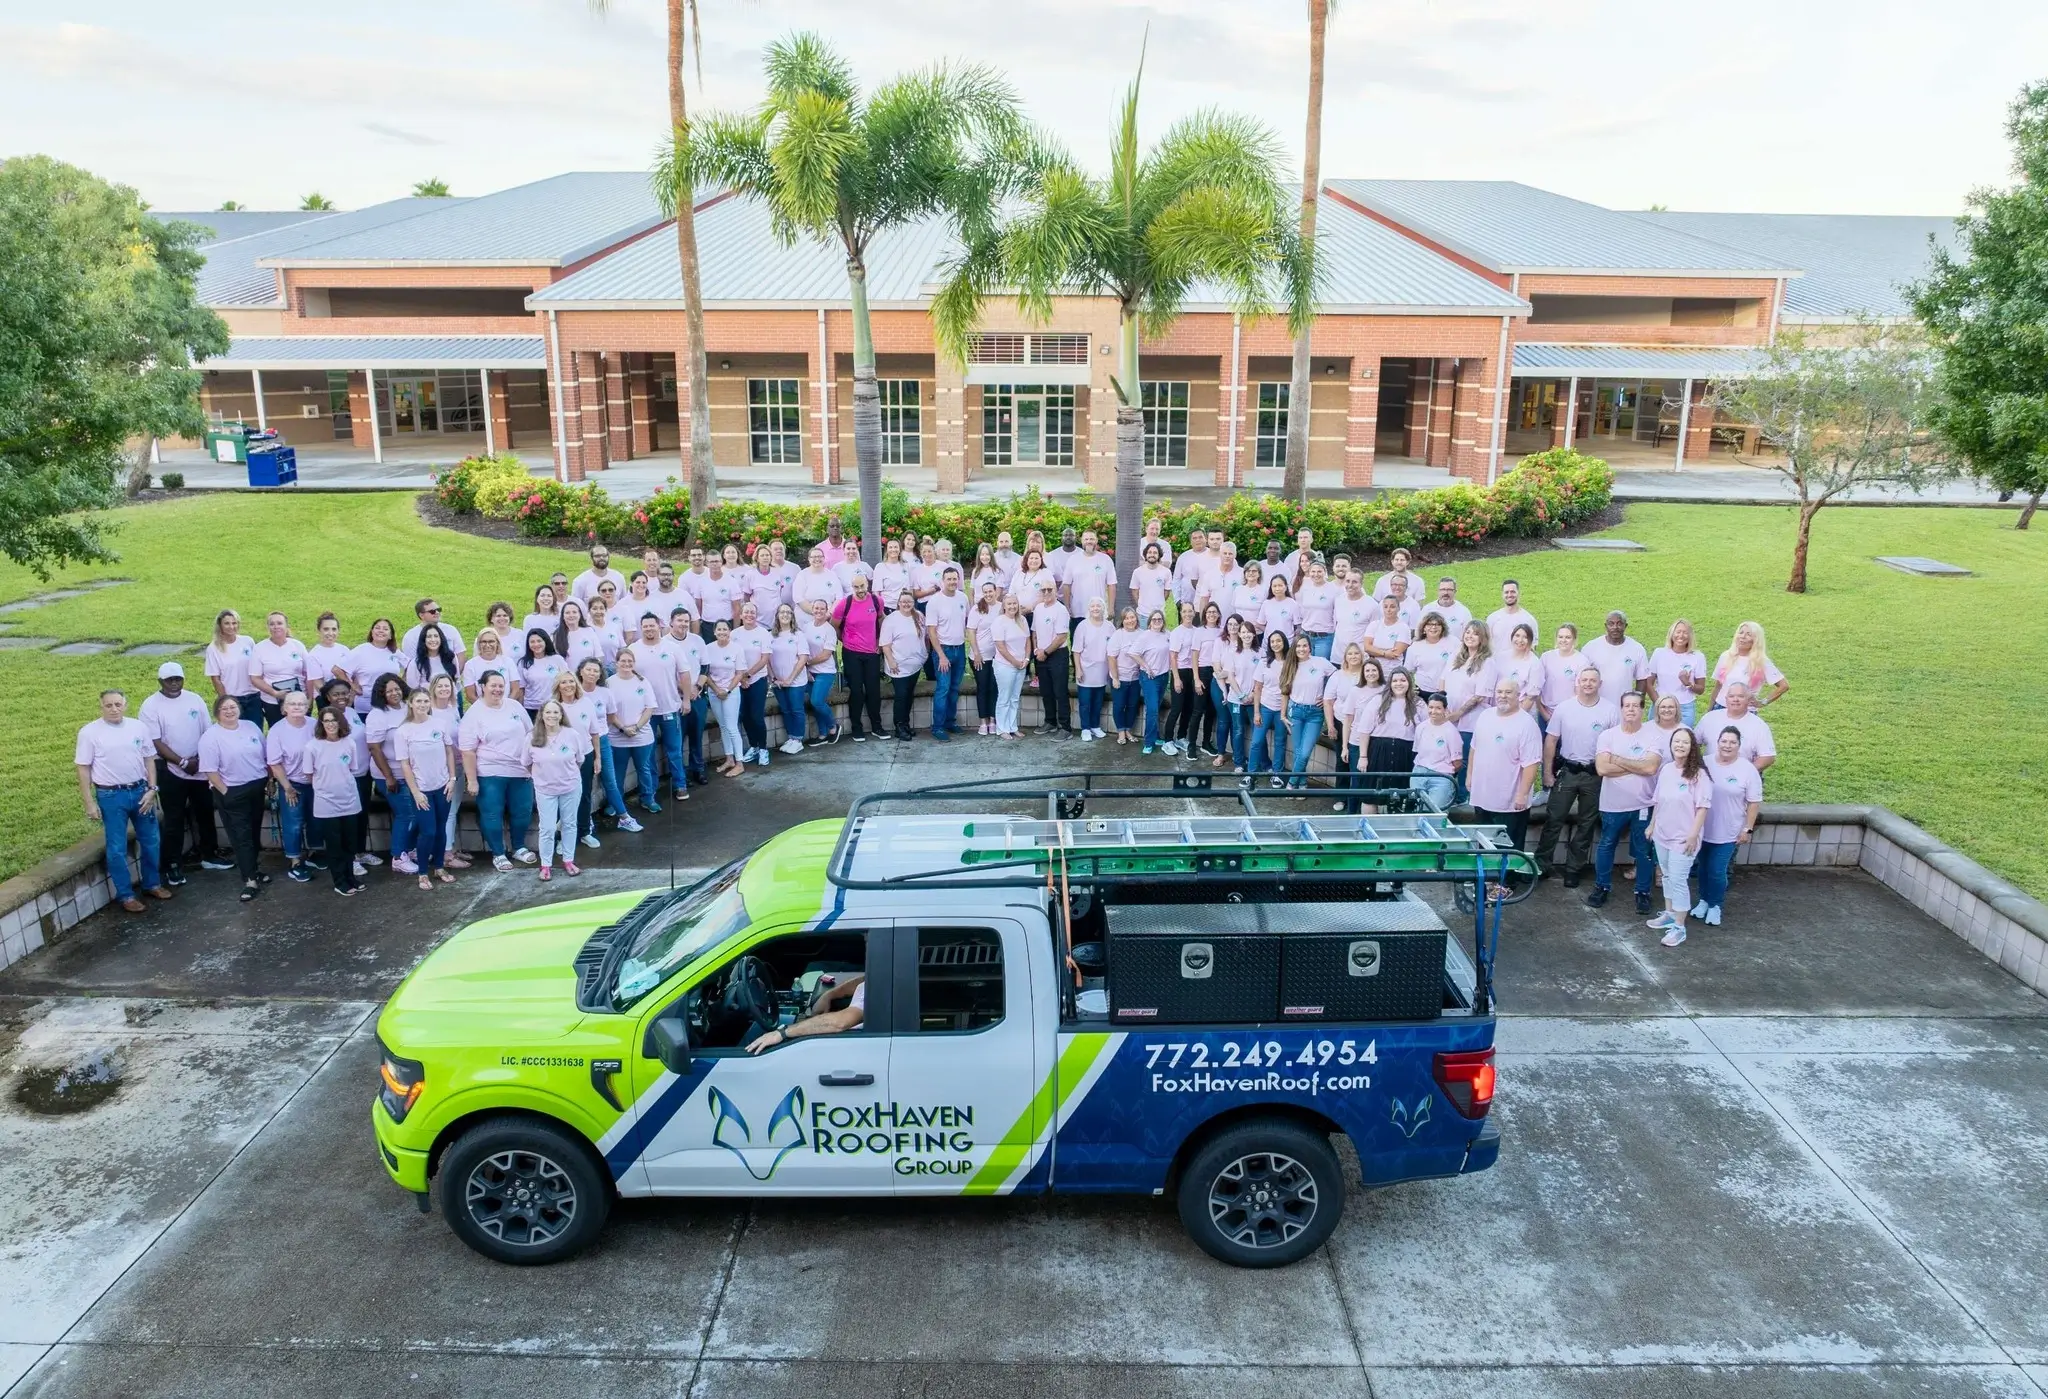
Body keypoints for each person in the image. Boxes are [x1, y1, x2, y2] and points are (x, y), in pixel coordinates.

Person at [75, 689, 171, 914]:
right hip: (111, 795)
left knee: (151, 840)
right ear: (101, 707)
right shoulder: (90, 733)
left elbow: (149, 759)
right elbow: (83, 768)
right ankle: (126, 895)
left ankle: (152, 884)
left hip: (140, 791)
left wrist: (151, 789)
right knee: (116, 847)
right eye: (108, 705)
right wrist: (89, 802)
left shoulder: (138, 727)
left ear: (125, 705)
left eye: (118, 704)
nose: (114, 709)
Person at [139, 662, 223, 886]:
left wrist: (200, 759)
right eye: (169, 680)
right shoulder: (150, 706)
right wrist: (182, 762)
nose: (174, 683)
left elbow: (207, 731)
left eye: (178, 679)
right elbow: (155, 742)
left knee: (205, 811)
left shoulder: (194, 699)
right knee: (174, 818)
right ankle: (173, 865)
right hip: (169, 769)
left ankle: (210, 855)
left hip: (198, 766)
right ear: (160, 682)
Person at [1540, 665, 1619, 887]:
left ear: (1599, 684)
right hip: (1568, 771)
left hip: (1594, 774)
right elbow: (1551, 741)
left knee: (1586, 823)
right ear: (1577, 682)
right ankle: (1541, 864)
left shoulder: (1610, 710)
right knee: (1554, 818)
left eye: (1592, 680)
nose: (1588, 684)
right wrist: (1547, 773)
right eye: (1584, 680)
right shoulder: (1564, 708)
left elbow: (1616, 745)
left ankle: (1574, 868)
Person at [1588, 692, 1661, 913]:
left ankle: (1643, 892)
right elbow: (1602, 769)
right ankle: (1601, 886)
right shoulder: (1607, 736)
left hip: (1642, 804)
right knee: (1606, 845)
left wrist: (1617, 760)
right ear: (1621, 709)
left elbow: (1650, 768)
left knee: (1643, 850)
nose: (1631, 709)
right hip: (1612, 804)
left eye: (1635, 706)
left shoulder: (1653, 735)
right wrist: (1635, 764)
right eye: (1626, 705)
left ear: (1642, 709)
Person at [460, 671, 537, 872]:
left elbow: (531, 734)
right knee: (492, 813)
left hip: (520, 770)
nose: (497, 689)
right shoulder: (474, 714)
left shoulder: (514, 706)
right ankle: (498, 853)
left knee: (522, 811)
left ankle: (518, 847)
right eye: (493, 685)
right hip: (490, 772)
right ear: (482, 687)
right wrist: (472, 780)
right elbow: (467, 750)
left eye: (501, 686)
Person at [198, 695, 269, 902]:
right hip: (232, 791)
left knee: (254, 833)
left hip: (256, 786)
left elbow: (264, 755)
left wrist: (269, 781)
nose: (229, 711)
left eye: (233, 707)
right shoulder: (211, 737)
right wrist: (225, 791)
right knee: (242, 836)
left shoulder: (251, 727)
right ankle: (249, 880)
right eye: (224, 708)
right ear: (217, 712)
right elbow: (210, 771)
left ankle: (254, 870)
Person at [1692, 726, 1764, 927]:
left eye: (1733, 742)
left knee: (1717, 870)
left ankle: (1715, 905)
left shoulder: (1747, 769)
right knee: (1703, 869)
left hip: (1729, 831)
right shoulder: (1704, 763)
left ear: (1739, 746)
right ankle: (1704, 900)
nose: (1727, 745)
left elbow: (1754, 802)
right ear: (1718, 742)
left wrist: (1747, 828)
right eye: (1724, 741)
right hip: (1703, 828)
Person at [1647, 728, 1713, 947]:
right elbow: (1659, 801)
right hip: (1662, 835)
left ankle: (1679, 927)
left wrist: (1693, 835)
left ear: (1692, 746)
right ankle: (1669, 913)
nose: (1680, 745)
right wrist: (1652, 825)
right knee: (1666, 876)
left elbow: (1702, 807)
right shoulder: (1666, 769)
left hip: (1683, 839)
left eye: (1685, 742)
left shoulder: (1699, 775)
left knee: (1678, 880)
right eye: (1676, 741)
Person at [393, 686, 459, 889]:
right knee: (428, 832)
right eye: (418, 701)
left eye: (425, 701)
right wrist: (415, 792)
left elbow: (449, 752)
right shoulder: (403, 731)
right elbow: (405, 764)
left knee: (440, 830)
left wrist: (452, 779)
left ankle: (439, 867)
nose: (422, 705)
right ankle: (423, 872)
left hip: (443, 786)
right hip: (421, 790)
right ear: (411, 704)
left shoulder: (438, 724)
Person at [1468, 679, 1543, 855]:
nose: (1503, 696)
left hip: (1509, 802)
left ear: (1519, 695)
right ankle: (1486, 880)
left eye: (1508, 692)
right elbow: (1474, 748)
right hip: (1482, 796)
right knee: (1484, 844)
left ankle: (1507, 881)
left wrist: (1522, 795)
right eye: (1500, 691)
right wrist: (1470, 776)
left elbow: (1531, 763)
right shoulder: (1485, 716)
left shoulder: (1527, 724)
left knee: (1508, 848)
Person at [299, 706, 365, 896]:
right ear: (321, 724)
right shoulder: (312, 747)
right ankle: (339, 881)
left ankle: (351, 877)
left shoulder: (349, 743)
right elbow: (309, 774)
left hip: (349, 799)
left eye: (333, 720)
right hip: (327, 803)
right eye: (326, 721)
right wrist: (324, 789)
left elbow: (352, 768)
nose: (330, 724)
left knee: (349, 843)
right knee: (335, 844)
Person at [526, 700, 591, 883]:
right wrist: (542, 776)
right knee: (546, 828)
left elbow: (579, 759)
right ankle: (545, 864)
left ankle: (568, 860)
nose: (552, 716)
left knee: (569, 824)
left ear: (561, 715)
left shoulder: (572, 735)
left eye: (556, 712)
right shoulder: (531, 737)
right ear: (542, 714)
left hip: (570, 786)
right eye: (548, 712)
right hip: (545, 789)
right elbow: (525, 762)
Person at [265, 690, 322, 883]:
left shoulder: (315, 725)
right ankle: (295, 862)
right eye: (292, 704)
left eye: (301, 703)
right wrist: (287, 787)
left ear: (308, 707)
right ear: (284, 708)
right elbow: (274, 763)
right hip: (292, 784)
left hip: (315, 782)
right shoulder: (277, 731)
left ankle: (316, 853)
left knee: (316, 820)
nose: (297, 707)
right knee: (294, 824)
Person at [604, 647, 657, 824]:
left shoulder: (643, 682)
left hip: (641, 735)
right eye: (623, 661)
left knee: (644, 768)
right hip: (618, 736)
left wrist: (636, 727)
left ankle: (648, 798)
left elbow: (649, 708)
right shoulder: (609, 683)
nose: (626, 664)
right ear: (616, 663)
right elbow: (609, 712)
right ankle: (615, 804)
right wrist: (622, 728)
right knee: (617, 773)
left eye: (630, 661)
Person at [1445, 621, 1496, 805]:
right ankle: (1449, 795)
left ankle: (1463, 797)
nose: (1470, 636)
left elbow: (1480, 695)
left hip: (1471, 721)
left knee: (1466, 759)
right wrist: (1444, 707)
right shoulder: (1456, 657)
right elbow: (1443, 681)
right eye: (1467, 632)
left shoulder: (1487, 663)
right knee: (1450, 759)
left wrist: (1458, 713)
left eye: (1475, 634)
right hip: (1449, 719)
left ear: (1482, 638)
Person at [831, 573, 886, 742]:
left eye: (862, 586)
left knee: (873, 691)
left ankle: (877, 726)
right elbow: (834, 625)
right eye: (856, 587)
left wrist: (880, 641)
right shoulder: (844, 604)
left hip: (872, 653)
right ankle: (857, 728)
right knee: (856, 691)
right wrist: (845, 640)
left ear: (867, 585)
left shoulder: (876, 601)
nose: (860, 590)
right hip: (851, 653)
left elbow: (881, 619)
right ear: (851, 587)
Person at [1280, 633, 1337, 789]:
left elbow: (1337, 677)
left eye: (1305, 645)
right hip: (1296, 712)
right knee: (1299, 752)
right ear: (1294, 648)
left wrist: (1327, 695)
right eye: (1298, 646)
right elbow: (1284, 692)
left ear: (1310, 647)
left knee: (1304, 753)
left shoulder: (1320, 663)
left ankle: (1291, 783)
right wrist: (1283, 715)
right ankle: (1302, 783)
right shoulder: (1290, 665)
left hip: (1315, 714)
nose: (1301, 649)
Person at [1361, 666, 1420, 800]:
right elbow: (1364, 731)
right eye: (1395, 681)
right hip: (1379, 750)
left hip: (1406, 753)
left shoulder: (1418, 703)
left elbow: (1425, 731)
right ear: (1390, 683)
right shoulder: (1378, 701)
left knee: (1401, 796)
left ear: (1409, 683)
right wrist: (1363, 757)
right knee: (1371, 796)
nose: (1399, 683)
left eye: (1403, 680)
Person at [925, 566, 969, 741]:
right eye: (949, 579)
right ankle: (938, 727)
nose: (952, 582)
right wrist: (941, 655)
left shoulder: (963, 598)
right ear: (943, 581)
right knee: (943, 689)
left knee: (954, 688)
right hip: (943, 651)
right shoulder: (934, 601)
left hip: (959, 649)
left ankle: (950, 722)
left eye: (954, 578)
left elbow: (965, 621)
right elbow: (931, 631)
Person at [879, 591, 929, 742]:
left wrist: (925, 654)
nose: (906, 604)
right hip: (898, 666)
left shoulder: (919, 616)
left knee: (909, 695)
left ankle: (906, 724)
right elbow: (885, 645)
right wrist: (891, 661)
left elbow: (925, 638)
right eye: (903, 602)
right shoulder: (891, 620)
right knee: (901, 696)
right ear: (898, 603)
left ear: (914, 603)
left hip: (915, 665)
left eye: (909, 601)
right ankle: (899, 727)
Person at [1695, 683, 1776, 774]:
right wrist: (1699, 767)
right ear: (1726, 699)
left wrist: (1745, 773)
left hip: (1741, 776)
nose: (1735, 700)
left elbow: (1768, 757)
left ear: (1749, 700)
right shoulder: (1709, 718)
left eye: (1741, 696)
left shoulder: (1759, 725)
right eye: (1731, 696)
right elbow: (1694, 744)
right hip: (1709, 774)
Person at [1707, 620, 1788, 710]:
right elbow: (1718, 686)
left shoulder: (1761, 661)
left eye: (1748, 634)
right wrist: (1710, 710)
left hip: (1746, 712)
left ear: (1756, 640)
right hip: (1720, 708)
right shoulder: (1726, 656)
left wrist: (1763, 702)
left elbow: (1783, 686)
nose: (1743, 637)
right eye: (1741, 633)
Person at [732, 601, 774, 767]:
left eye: (752, 612)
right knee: (745, 716)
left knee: (756, 716)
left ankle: (763, 748)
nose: (749, 615)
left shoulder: (763, 633)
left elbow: (764, 659)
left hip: (757, 680)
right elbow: (731, 656)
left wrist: (748, 675)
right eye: (746, 612)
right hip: (739, 682)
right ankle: (754, 746)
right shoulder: (734, 634)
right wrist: (741, 679)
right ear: (741, 615)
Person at [1210, 617, 1255, 772]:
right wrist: (1225, 685)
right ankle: (1221, 753)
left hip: (1239, 689)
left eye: (1237, 624)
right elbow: (1217, 669)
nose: (1233, 627)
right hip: (1220, 686)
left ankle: (1239, 757)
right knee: (1224, 720)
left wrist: (1229, 674)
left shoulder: (1245, 645)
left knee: (1239, 725)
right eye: (1230, 624)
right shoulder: (1220, 642)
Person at [767, 604, 813, 755]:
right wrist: (774, 678)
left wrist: (790, 679)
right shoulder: (771, 636)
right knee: (786, 710)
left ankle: (798, 739)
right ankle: (791, 738)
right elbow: (766, 658)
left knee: (796, 710)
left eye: (788, 612)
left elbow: (803, 658)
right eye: (782, 612)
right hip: (778, 682)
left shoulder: (798, 635)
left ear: (792, 616)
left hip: (795, 681)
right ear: (777, 615)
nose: (785, 615)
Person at [249, 612, 309, 728]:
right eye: (272, 624)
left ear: (287, 626)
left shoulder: (298, 646)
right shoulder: (260, 648)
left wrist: (308, 697)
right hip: (272, 701)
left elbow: (309, 673)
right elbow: (255, 678)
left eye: (280, 623)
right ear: (268, 627)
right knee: (278, 731)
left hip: (299, 700)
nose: (276, 626)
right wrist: (275, 693)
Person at [1246, 629, 1291, 782]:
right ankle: (1251, 774)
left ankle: (1277, 775)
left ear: (1284, 642)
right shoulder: (1264, 662)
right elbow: (1257, 688)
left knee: (1280, 742)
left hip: (1282, 710)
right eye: (1272, 641)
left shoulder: (1291, 663)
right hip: (1265, 707)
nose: (1275, 644)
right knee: (1257, 741)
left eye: (1278, 640)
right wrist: (1257, 712)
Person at [1647, 618, 1708, 727]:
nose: (1681, 635)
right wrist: (1658, 703)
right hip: (1661, 704)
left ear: (1690, 636)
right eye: (1678, 632)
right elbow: (1648, 683)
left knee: (1682, 741)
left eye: (1685, 632)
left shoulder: (1697, 657)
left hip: (1684, 708)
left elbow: (1701, 689)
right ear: (1671, 634)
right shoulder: (1659, 653)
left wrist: (1688, 683)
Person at [1581, 611, 1650, 707]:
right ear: (1606, 626)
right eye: (1611, 623)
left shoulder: (1637, 649)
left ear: (1625, 626)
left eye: (1619, 623)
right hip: (1595, 705)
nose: (1615, 627)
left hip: (1624, 707)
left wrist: (1637, 703)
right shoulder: (1590, 648)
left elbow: (1642, 679)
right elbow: (1581, 679)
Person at [1031, 581, 1073, 737]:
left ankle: (1065, 728)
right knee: (1046, 691)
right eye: (1044, 589)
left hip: (1057, 655)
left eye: (1050, 589)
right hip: (1041, 655)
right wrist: (1036, 650)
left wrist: (1046, 652)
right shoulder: (1038, 608)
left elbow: (1062, 636)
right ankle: (1050, 722)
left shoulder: (1061, 610)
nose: (1047, 592)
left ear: (1056, 591)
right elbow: (1034, 632)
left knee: (1060, 692)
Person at [203, 609, 261, 723]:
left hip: (254, 697)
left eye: (234, 623)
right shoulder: (214, 648)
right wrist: (225, 700)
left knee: (255, 732)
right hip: (233, 698)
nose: (231, 626)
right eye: (227, 623)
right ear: (220, 625)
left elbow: (258, 667)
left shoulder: (247, 641)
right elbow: (215, 678)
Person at [1409, 694, 1463, 811]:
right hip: (1419, 773)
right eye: (1431, 707)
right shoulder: (1421, 727)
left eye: (1438, 708)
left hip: (1441, 777)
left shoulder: (1451, 732)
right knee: (1417, 811)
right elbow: (1417, 751)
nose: (1434, 711)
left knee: (1435, 813)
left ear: (1445, 710)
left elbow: (1457, 762)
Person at [801, 600, 843, 747]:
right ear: (812, 610)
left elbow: (826, 655)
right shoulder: (805, 628)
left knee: (816, 701)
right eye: (816, 608)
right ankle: (823, 734)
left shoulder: (829, 630)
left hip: (825, 672)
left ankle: (833, 726)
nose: (819, 611)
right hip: (810, 673)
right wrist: (806, 669)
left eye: (822, 609)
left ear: (826, 611)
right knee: (816, 704)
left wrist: (807, 663)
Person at [990, 595, 1030, 739]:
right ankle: (1002, 729)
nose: (1012, 606)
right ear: (1004, 606)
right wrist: (1014, 662)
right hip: (1005, 666)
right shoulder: (999, 622)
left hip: (1021, 665)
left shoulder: (1023, 620)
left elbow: (1027, 641)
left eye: (1015, 603)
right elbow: (1000, 647)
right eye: (1009, 604)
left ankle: (1013, 727)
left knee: (1014, 698)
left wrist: (1026, 658)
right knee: (1004, 698)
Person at [349, 619, 401, 716]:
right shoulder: (361, 650)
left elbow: (411, 665)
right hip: (366, 708)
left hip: (390, 706)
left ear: (390, 635)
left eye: (385, 629)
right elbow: (337, 670)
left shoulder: (394, 652)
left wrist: (402, 685)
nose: (381, 631)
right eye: (377, 628)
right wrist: (353, 686)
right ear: (372, 633)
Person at [1538, 624, 1590, 720]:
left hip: (1570, 715)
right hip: (1545, 712)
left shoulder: (1582, 661)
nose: (1563, 640)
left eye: (1568, 637)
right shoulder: (1546, 658)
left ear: (1574, 639)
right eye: (1560, 637)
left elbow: (1580, 692)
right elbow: (1537, 687)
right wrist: (1545, 716)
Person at [1404, 612, 1457, 705]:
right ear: (1424, 628)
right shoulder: (1415, 647)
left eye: (1437, 624)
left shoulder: (1453, 642)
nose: (1433, 627)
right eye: (1429, 624)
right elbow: (1407, 671)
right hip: (1423, 692)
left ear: (1443, 627)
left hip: (1448, 691)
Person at [513, 629, 566, 718]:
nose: (536, 644)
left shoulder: (557, 659)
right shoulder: (523, 663)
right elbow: (521, 689)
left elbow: (565, 681)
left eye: (539, 641)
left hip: (553, 706)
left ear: (545, 641)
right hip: (531, 708)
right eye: (532, 642)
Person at [400, 598, 466, 667]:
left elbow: (461, 655)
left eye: (439, 610)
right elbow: (410, 664)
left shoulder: (451, 630)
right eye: (432, 611)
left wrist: (453, 676)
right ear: (421, 615)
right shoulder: (411, 636)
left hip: (450, 675)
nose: (437, 612)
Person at [304, 612, 354, 700]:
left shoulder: (344, 650)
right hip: (326, 699)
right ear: (319, 631)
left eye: (334, 629)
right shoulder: (314, 655)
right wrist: (334, 698)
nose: (330, 633)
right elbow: (318, 684)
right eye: (326, 629)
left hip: (346, 697)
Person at [1486, 579, 1538, 660]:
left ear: (1518, 593)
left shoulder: (1529, 620)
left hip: (1518, 667)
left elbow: (1532, 648)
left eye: (1513, 592)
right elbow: (1486, 644)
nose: (1509, 595)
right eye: (1506, 592)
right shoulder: (1492, 618)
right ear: (1502, 595)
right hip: (1497, 666)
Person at [409, 621, 461, 696]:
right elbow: (413, 689)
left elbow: (456, 680)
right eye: (429, 637)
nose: (433, 640)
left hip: (449, 702)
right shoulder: (416, 663)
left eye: (436, 636)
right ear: (423, 640)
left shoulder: (451, 657)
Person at [1130, 543, 1174, 626]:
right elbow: (1135, 592)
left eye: (1155, 553)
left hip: (1159, 615)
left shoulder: (1166, 572)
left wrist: (1158, 603)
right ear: (1145, 554)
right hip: (1142, 615)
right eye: (1149, 552)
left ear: (1159, 555)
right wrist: (1142, 604)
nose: (1152, 555)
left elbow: (1166, 593)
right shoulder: (1137, 572)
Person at [1426, 576, 1472, 646]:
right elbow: (1419, 634)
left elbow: (1469, 637)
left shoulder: (1464, 612)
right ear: (1438, 591)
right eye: (1443, 589)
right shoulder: (1427, 609)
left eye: (1449, 590)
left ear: (1455, 592)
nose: (1446, 593)